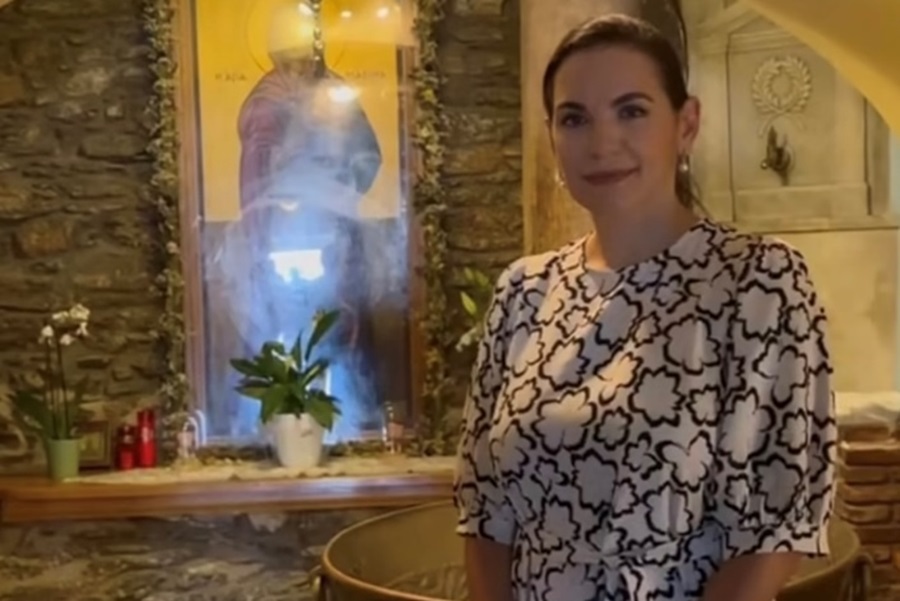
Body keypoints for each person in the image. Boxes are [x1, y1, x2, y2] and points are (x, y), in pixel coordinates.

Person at [453, 14, 836, 601]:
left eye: (631, 111)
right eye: (574, 118)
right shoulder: (522, 292)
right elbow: (483, 509)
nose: (602, 142)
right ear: (552, 137)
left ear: (686, 125)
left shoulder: (757, 282)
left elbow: (775, 525)